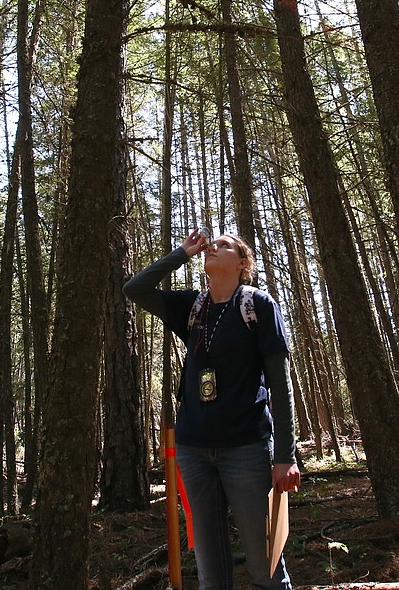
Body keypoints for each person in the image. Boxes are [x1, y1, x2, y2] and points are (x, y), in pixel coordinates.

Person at [124, 228, 301, 590]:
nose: (213, 247)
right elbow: (134, 289)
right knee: (210, 575)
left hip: (246, 448)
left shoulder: (257, 305)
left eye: (224, 245)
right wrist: (182, 253)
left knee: (265, 566)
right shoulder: (193, 308)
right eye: (211, 244)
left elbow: (281, 387)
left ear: (241, 264)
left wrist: (285, 455)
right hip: (193, 451)